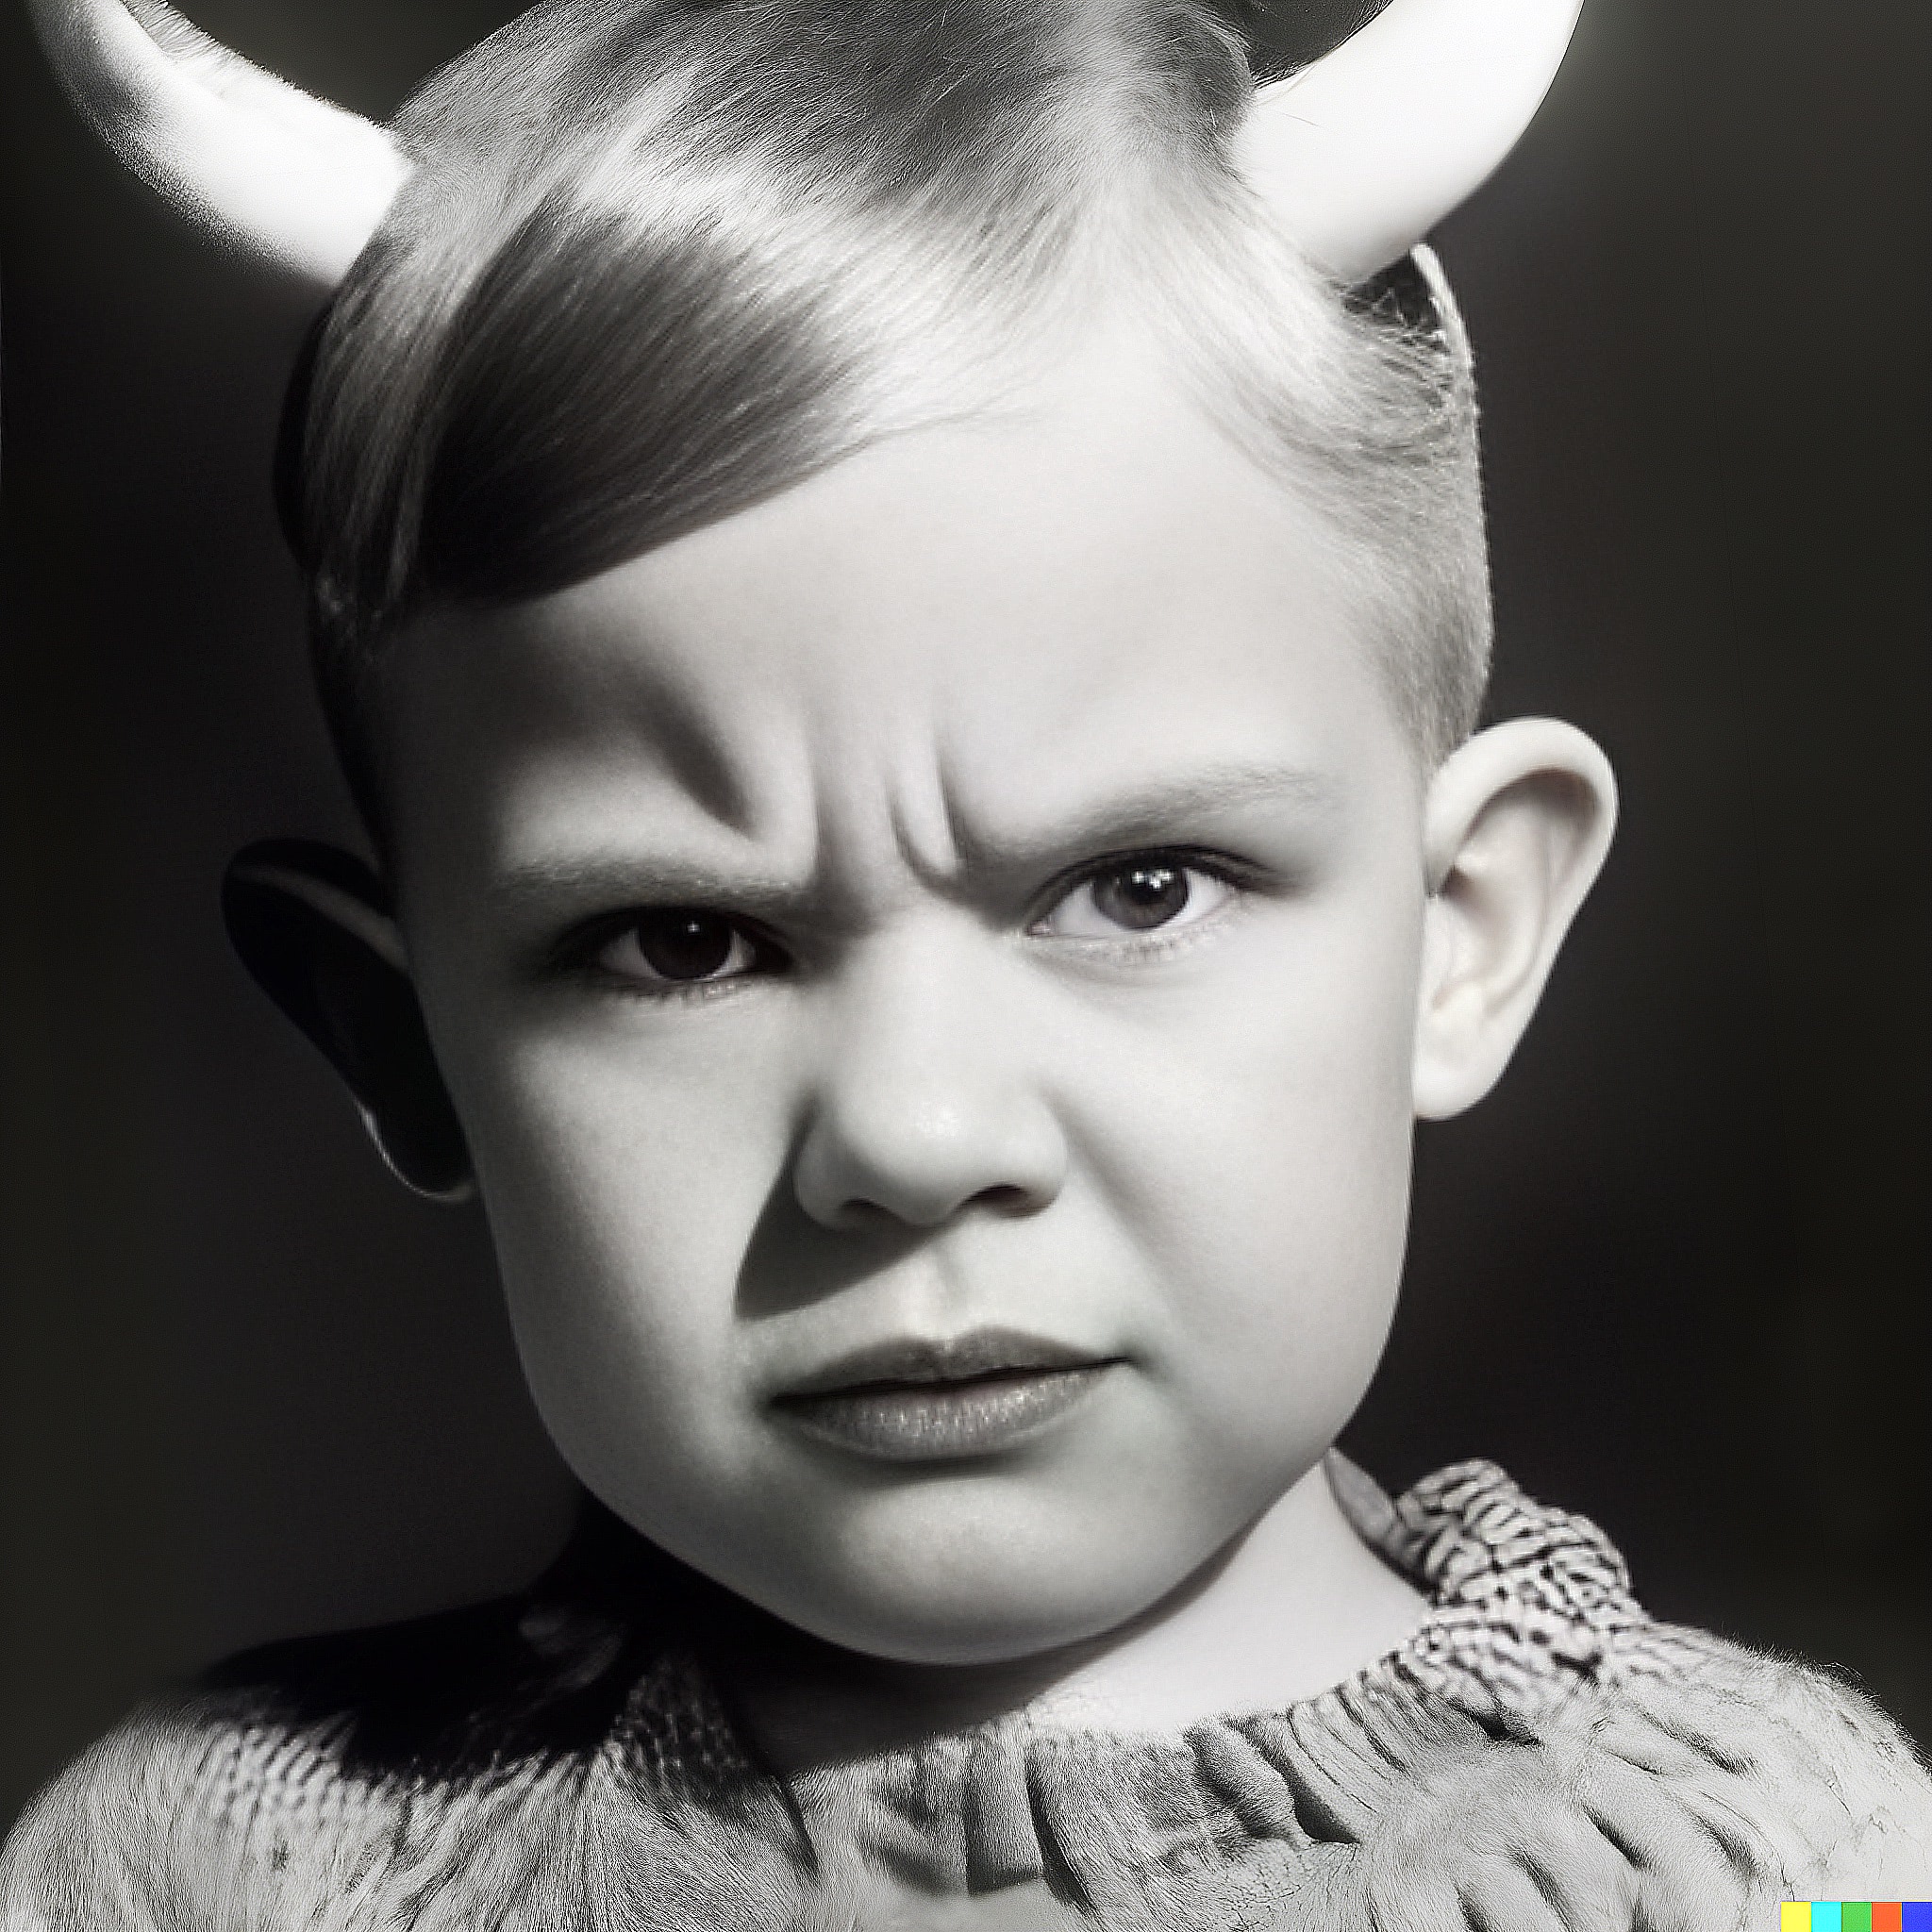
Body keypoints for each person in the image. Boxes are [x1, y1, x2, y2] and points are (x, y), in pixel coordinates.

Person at [5, 0, 1929, 1924]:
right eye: (685, 943)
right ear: (400, 1043)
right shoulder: (184, 1890)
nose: (917, 1137)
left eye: (1140, 889)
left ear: (1462, 936)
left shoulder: (1808, 1869)